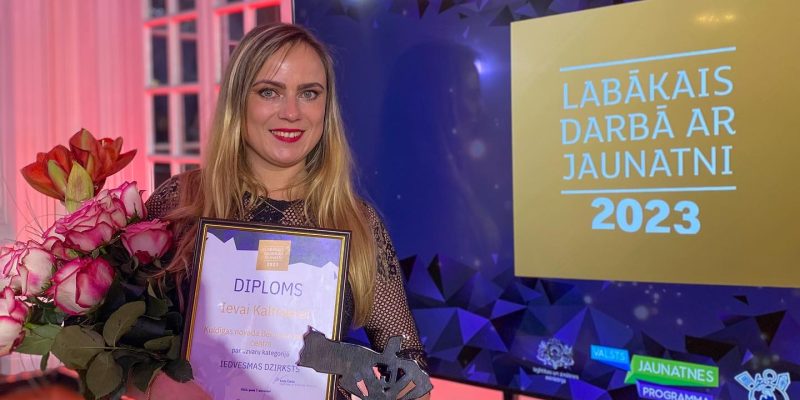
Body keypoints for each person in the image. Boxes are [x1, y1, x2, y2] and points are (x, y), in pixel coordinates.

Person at [142, 23, 430, 400]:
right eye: (269, 92)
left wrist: (405, 388)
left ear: (326, 107)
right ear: (238, 101)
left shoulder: (357, 221)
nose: (291, 112)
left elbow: (408, 361)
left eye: (309, 93)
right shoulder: (180, 202)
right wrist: (158, 386)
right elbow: (112, 349)